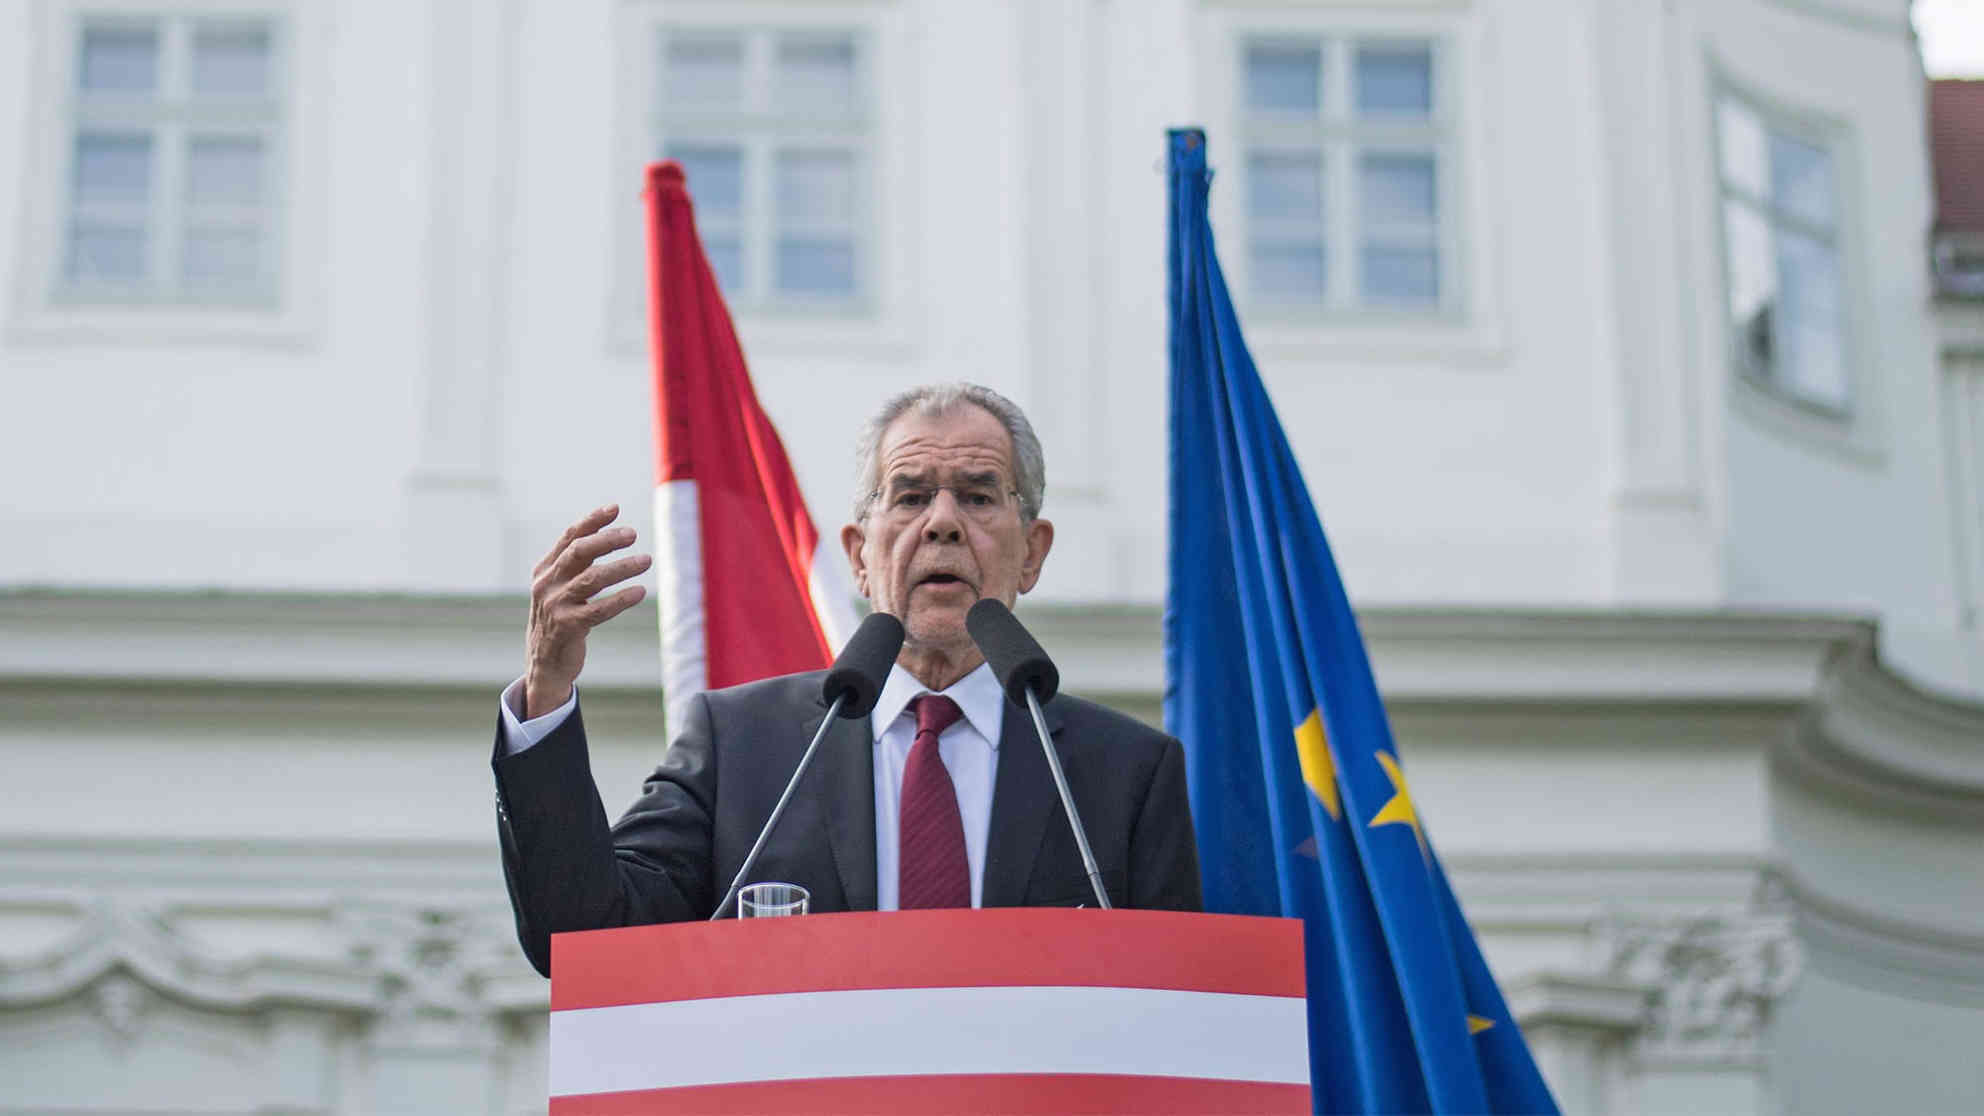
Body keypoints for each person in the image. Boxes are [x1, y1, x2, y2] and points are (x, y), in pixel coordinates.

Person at [491, 383, 1201, 975]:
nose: (943, 523)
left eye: (980, 497)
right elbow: (582, 936)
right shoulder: (743, 746)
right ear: (859, 557)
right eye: (911, 495)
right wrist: (547, 694)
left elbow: (1175, 1009)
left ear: (1032, 554)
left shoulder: (1126, 775)